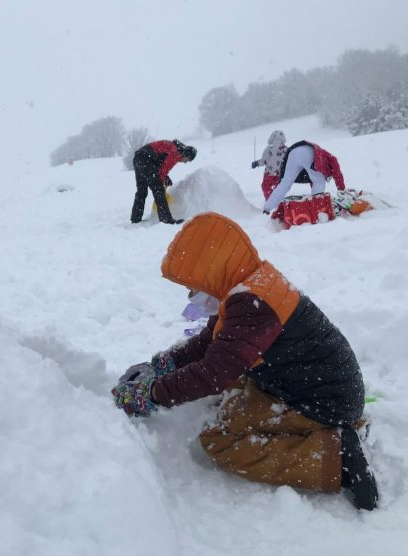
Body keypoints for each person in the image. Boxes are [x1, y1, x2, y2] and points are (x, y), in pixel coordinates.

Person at [112, 212, 378, 511]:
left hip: (324, 402)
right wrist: (161, 366)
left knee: (220, 440)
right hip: (313, 386)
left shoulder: (252, 305)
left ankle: (336, 458)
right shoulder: (250, 286)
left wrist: (151, 394)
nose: (191, 295)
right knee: (228, 401)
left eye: (193, 286)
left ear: (211, 272)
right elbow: (210, 344)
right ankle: (324, 435)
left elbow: (213, 374)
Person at [263, 141, 346, 214]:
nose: (328, 177)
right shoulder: (332, 159)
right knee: (319, 181)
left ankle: (268, 207)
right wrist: (342, 190)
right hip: (308, 152)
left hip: (294, 152)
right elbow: (338, 175)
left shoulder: (320, 163)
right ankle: (319, 208)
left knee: (285, 183)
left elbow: (312, 180)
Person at [131, 139, 197, 224]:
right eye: (187, 160)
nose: (185, 162)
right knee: (158, 190)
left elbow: (161, 166)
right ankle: (166, 219)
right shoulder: (175, 153)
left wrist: (165, 178)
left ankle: (135, 218)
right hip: (147, 160)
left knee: (142, 190)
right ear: (186, 154)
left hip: (139, 158)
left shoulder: (174, 148)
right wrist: (162, 180)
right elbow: (163, 169)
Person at [251, 130, 287, 200]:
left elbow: (264, 160)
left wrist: (256, 163)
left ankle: (269, 200)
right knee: (278, 187)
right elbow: (289, 161)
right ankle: (278, 200)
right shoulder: (285, 149)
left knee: (266, 186)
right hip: (280, 173)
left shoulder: (269, 148)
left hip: (269, 172)